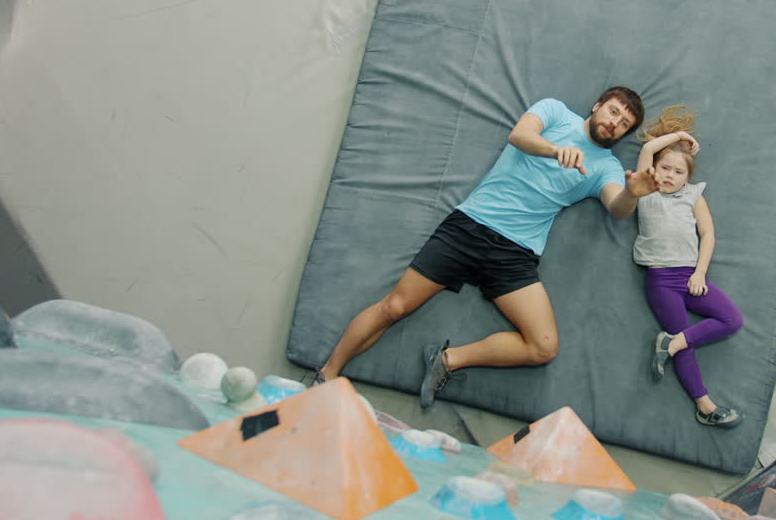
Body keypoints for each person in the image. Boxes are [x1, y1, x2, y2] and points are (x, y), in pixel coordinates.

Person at [316, 87, 657, 408]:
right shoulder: (555, 111)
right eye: (613, 111)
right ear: (598, 106)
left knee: (543, 347)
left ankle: (447, 360)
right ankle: (326, 375)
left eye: (623, 123)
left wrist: (633, 194)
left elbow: (616, 207)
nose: (614, 122)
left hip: (515, 252)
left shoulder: (607, 166)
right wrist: (556, 150)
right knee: (394, 307)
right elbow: (519, 136)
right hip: (469, 227)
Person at [634, 105, 745, 428]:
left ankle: (672, 342)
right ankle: (705, 407)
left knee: (731, 319)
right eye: (665, 168)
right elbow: (647, 149)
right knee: (685, 345)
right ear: (655, 169)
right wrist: (681, 136)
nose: (669, 175)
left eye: (678, 171)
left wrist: (699, 273)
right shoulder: (646, 190)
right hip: (661, 281)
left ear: (688, 178)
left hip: (690, 276)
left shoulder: (693, 196)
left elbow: (708, 233)